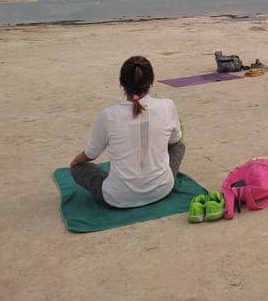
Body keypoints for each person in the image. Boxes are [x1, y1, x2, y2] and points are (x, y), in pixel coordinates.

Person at [69, 56, 185, 208]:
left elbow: (91, 154)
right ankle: (154, 177)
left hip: (118, 198)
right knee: (179, 147)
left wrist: (76, 162)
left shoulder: (108, 116)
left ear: (121, 82)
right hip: (162, 189)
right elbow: (175, 141)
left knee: (78, 168)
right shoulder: (167, 106)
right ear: (151, 81)